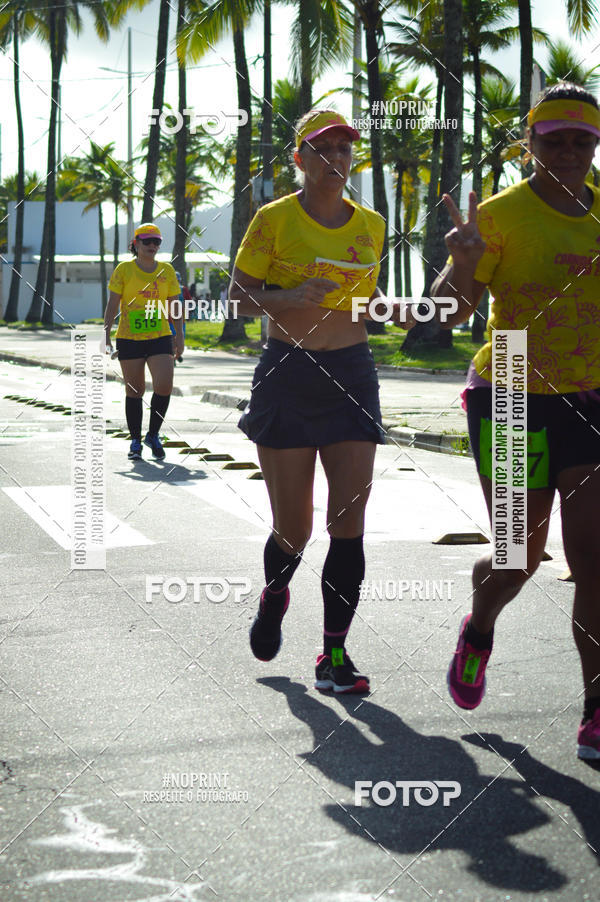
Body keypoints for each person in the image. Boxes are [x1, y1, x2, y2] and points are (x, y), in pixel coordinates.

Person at [432, 82, 600, 759]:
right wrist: (462, 262)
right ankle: (479, 628)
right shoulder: (497, 217)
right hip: (509, 392)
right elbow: (449, 311)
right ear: (529, 143)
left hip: (590, 397)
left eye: (581, 140)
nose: (568, 151)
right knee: (518, 560)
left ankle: (595, 710)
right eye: (553, 140)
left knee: (595, 559)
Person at [230, 109, 409, 693]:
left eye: (344, 149)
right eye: (323, 148)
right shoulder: (273, 219)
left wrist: (392, 310)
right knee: (295, 529)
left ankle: (334, 655)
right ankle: (275, 594)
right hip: (288, 371)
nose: (336, 158)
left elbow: (363, 300)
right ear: (300, 159)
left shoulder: (372, 224)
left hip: (351, 373)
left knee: (347, 522)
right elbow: (238, 299)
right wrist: (292, 294)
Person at [104, 223, 183, 461]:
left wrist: (179, 336)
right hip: (130, 338)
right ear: (136, 243)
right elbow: (113, 304)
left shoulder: (167, 270)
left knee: (164, 385)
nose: (152, 245)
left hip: (160, 336)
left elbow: (174, 305)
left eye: (156, 241)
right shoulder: (124, 269)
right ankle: (135, 440)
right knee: (135, 390)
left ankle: (153, 434)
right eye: (147, 241)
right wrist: (106, 335)